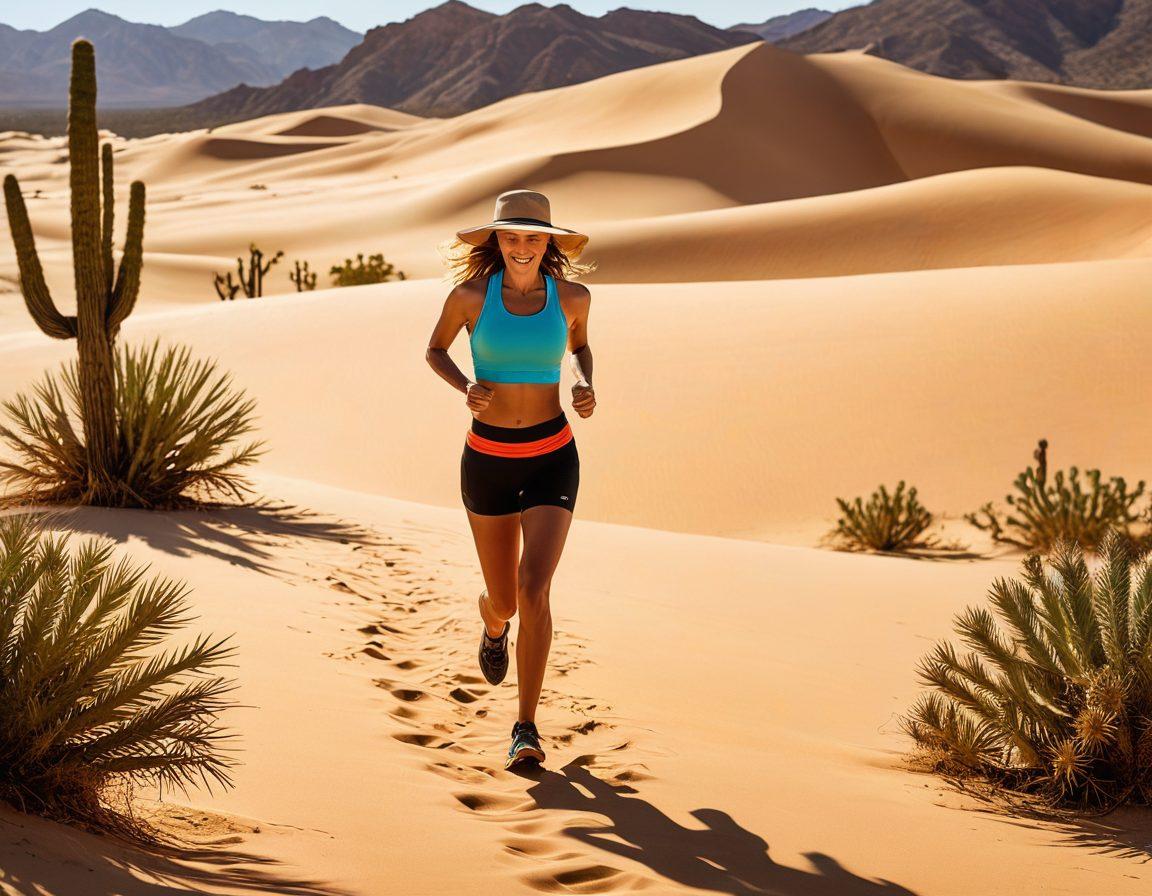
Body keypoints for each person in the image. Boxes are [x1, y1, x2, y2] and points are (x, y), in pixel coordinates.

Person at [425, 190, 597, 770]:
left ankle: (525, 726)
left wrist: (583, 381)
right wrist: (462, 387)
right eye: (512, 236)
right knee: (504, 599)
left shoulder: (573, 297)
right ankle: (491, 622)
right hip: (488, 458)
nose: (522, 247)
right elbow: (435, 350)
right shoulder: (469, 296)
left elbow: (581, 347)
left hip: (553, 454)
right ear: (496, 241)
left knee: (534, 590)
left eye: (533, 237)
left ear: (549, 242)